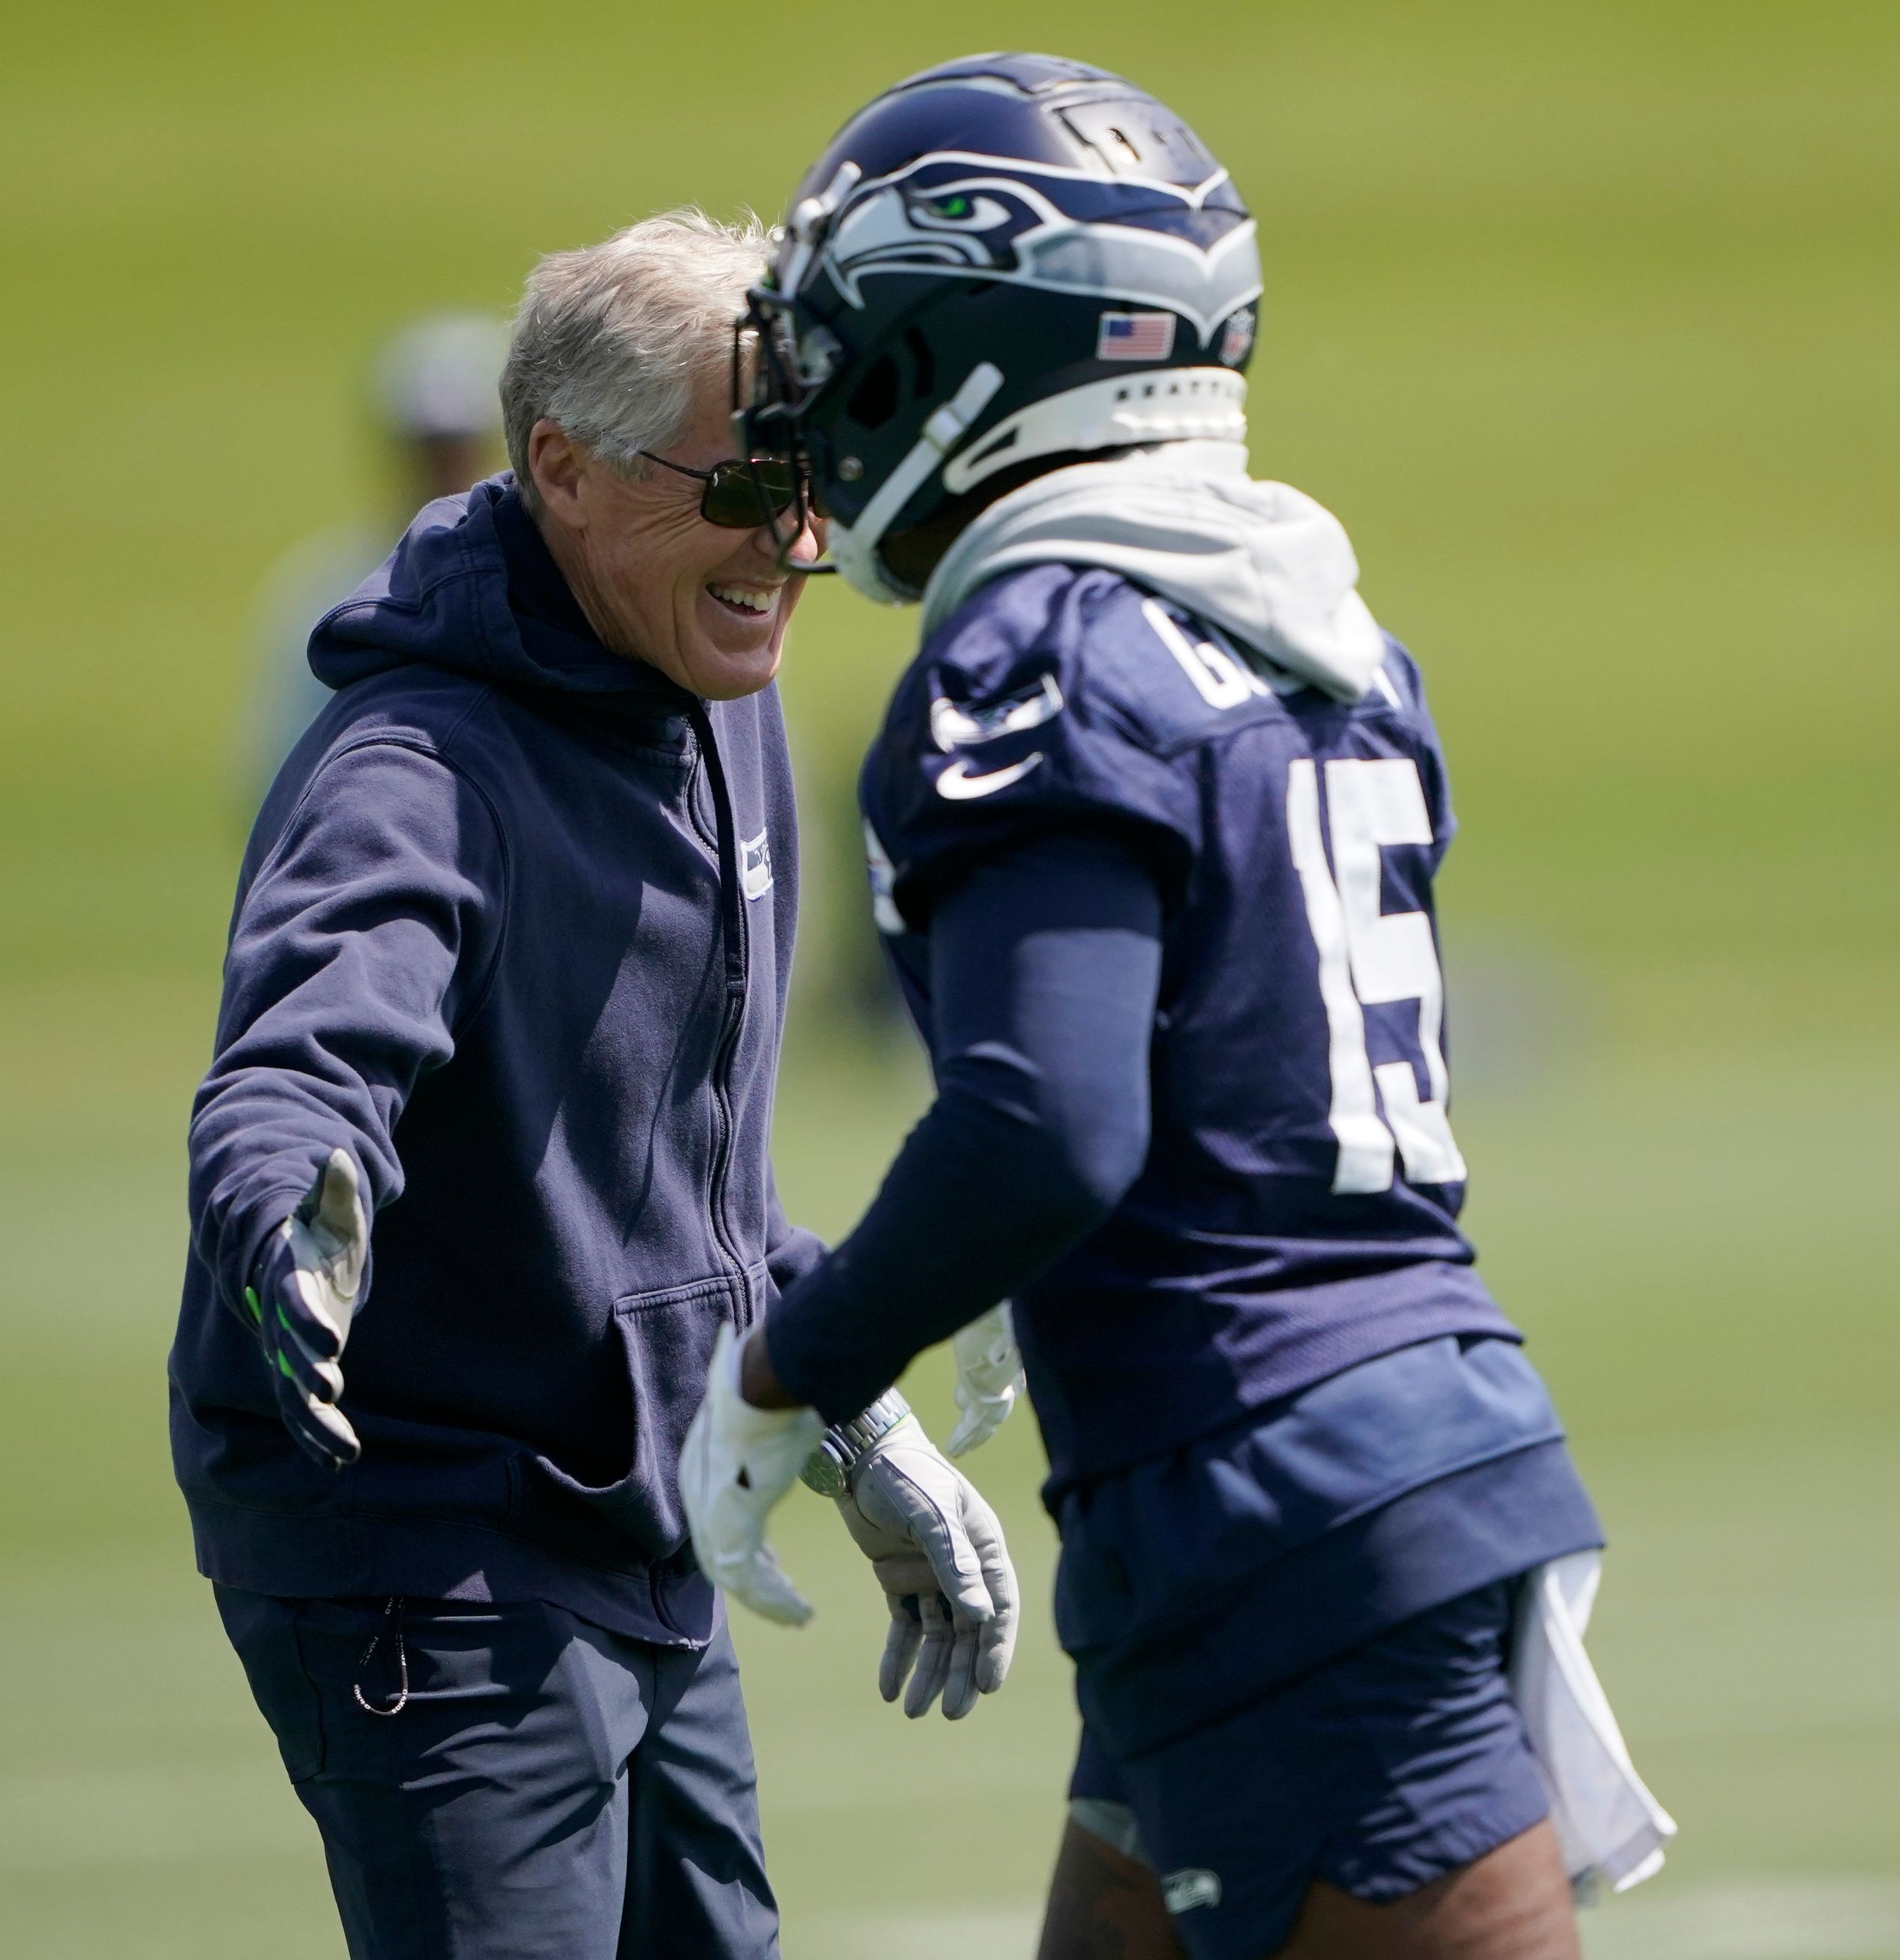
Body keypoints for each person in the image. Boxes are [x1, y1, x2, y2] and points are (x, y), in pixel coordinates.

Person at [677, 55, 1674, 1960]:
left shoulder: (1038, 634)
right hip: (1385, 1448)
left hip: (1264, 1496)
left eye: (845, 329)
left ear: (971, 338)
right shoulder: (1319, 623)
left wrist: (790, 1367)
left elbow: (1046, 1124)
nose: (812, 387)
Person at [171, 210, 1019, 1960]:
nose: (792, 535)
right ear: (559, 466)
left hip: (639, 1505)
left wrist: (848, 1412)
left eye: (818, 469)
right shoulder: (416, 765)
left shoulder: (715, 689)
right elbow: (303, 1052)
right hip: (433, 1548)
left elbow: (691, 1193)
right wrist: (293, 1211)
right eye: (741, 481)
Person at [243, 312, 510, 807]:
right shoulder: (327, 592)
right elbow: (280, 777)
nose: (444, 469)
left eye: (459, 447)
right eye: (429, 450)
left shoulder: (539, 584)